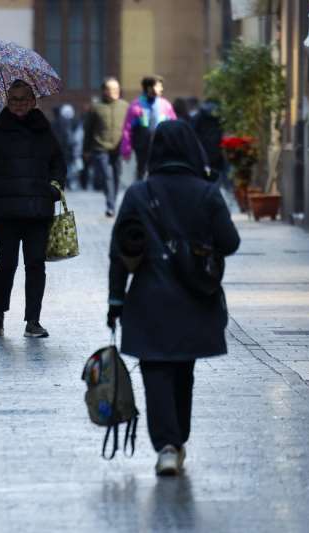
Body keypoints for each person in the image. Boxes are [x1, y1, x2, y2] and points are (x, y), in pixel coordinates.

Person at [107, 120, 240, 476]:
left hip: (148, 301)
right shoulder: (207, 193)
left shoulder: (138, 194)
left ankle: (167, 445)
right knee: (184, 371)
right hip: (195, 300)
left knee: (156, 372)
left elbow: (119, 251)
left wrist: (115, 302)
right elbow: (230, 243)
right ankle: (177, 439)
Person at [0, 80, 65, 338]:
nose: (19, 104)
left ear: (33, 101)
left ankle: (33, 320)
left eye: (24, 99)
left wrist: (55, 188)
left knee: (35, 264)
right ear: (7, 102)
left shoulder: (45, 131)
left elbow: (58, 163)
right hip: (6, 211)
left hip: (37, 209)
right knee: (6, 264)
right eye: (14, 100)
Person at [84, 77, 130, 217]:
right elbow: (89, 130)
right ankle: (110, 205)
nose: (114, 92)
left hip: (118, 148)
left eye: (116, 89)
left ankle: (113, 201)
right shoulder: (96, 107)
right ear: (104, 91)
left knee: (117, 175)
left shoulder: (125, 106)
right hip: (100, 147)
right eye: (110, 89)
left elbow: (129, 128)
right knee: (107, 176)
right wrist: (86, 150)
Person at [121, 75, 177, 180]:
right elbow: (127, 130)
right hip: (142, 147)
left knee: (159, 170)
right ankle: (141, 191)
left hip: (161, 145)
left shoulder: (165, 105)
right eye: (159, 86)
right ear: (149, 88)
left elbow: (174, 125)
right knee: (141, 170)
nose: (162, 89)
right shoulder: (136, 106)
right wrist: (126, 150)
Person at [192, 99, 227, 187]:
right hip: (217, 152)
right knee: (218, 177)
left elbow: (192, 133)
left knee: (205, 175)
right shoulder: (220, 116)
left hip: (203, 153)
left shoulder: (198, 116)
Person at [51, 104, 83, 189]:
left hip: (58, 149)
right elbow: (69, 137)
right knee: (68, 166)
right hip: (66, 148)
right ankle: (69, 182)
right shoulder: (67, 122)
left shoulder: (53, 123)